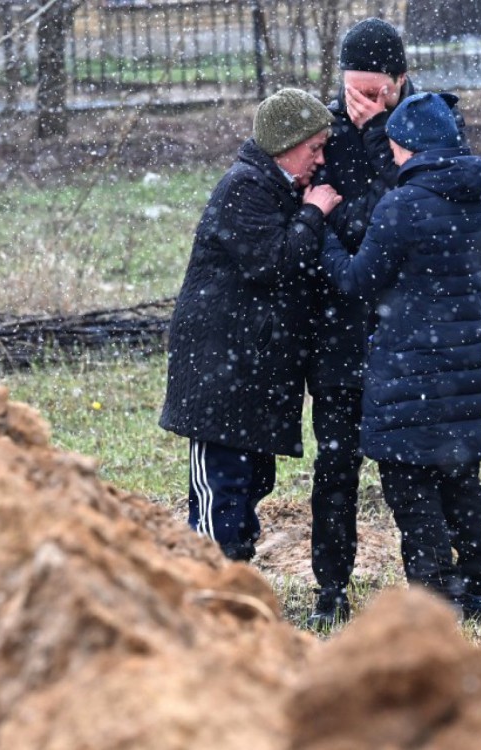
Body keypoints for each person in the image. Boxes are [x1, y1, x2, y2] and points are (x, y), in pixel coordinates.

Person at [304, 16, 468, 629]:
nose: (366, 103)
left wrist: (358, 214)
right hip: (342, 331)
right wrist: (359, 223)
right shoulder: (325, 133)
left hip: (413, 336)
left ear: (403, 78)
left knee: (426, 467)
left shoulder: (433, 128)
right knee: (336, 466)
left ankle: (439, 587)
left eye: (379, 91)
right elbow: (323, 212)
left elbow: (408, 217)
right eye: (356, 91)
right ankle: (330, 588)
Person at [320, 91, 481, 622]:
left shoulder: (401, 206)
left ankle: (433, 592)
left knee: (410, 481)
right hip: (466, 367)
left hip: (409, 368)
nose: (394, 160)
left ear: (410, 147)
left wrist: (326, 234)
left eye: (396, 150)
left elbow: (358, 281)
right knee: (462, 480)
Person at [160, 88, 342, 562]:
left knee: (251, 478)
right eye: (314, 148)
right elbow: (274, 264)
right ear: (285, 144)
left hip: (248, 369)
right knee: (222, 484)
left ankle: (232, 574)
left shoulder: (275, 186)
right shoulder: (245, 187)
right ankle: (210, 581)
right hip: (220, 371)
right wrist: (313, 213)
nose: (320, 160)